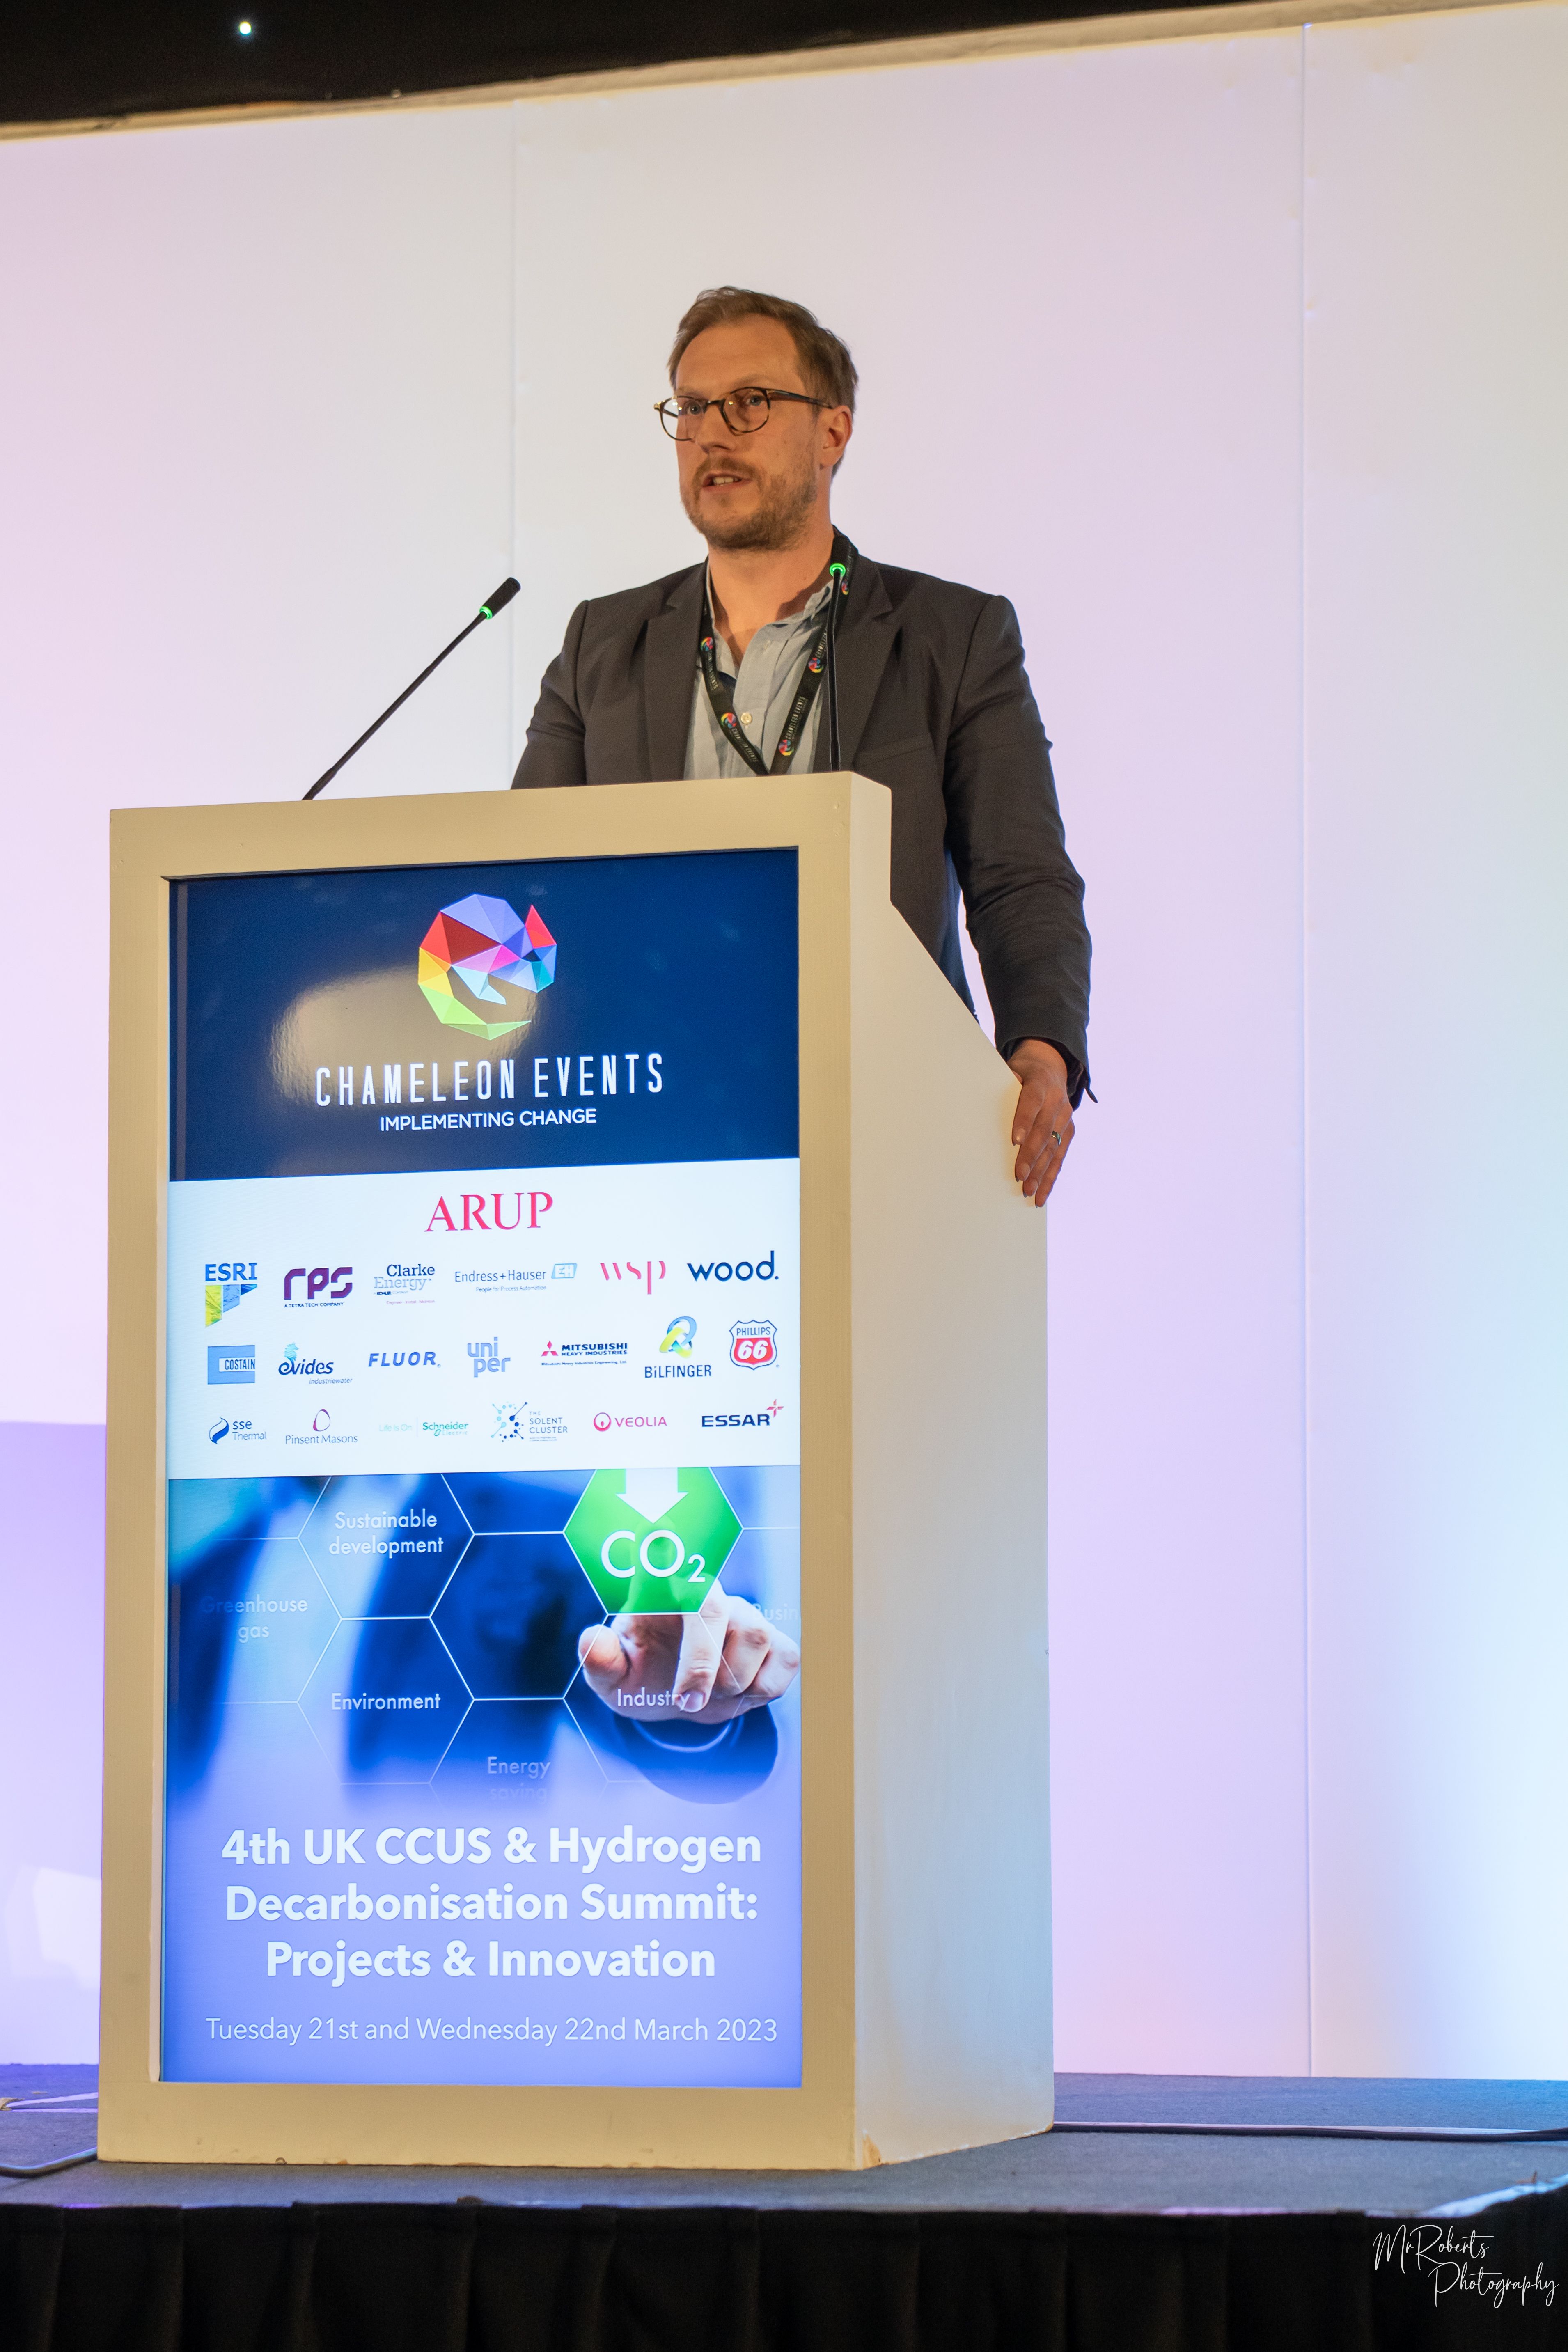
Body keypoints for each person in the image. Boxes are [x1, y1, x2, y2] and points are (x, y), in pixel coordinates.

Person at [513, 283, 1092, 1206]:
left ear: (832, 432)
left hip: (880, 1121)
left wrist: (1040, 1049)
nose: (712, 434)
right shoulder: (601, 646)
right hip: (648, 1127)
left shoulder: (950, 637)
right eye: (691, 408)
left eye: (749, 403)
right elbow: (526, 880)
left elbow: (1018, 875)